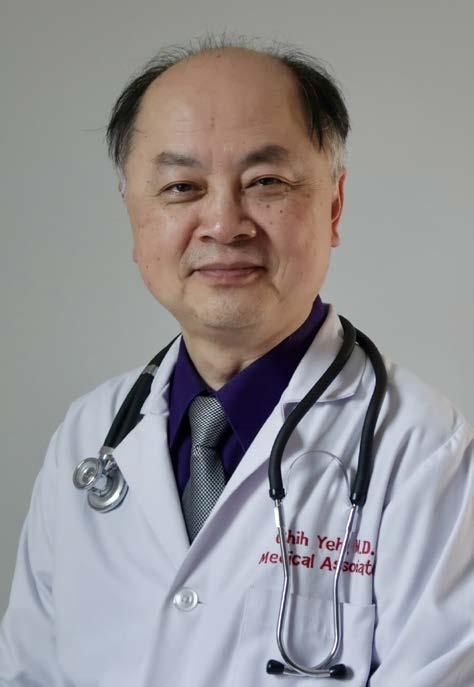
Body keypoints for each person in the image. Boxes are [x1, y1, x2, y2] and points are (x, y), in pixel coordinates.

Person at [0, 35, 472, 686]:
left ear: (333, 206)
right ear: (133, 214)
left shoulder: (422, 452)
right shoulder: (87, 437)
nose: (224, 224)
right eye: (181, 186)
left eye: (266, 182)